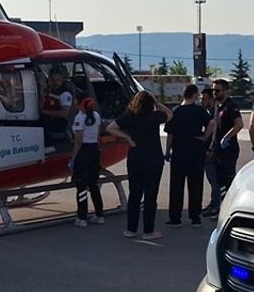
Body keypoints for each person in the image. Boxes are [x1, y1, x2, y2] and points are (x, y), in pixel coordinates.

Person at [108, 91, 172, 239]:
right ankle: (148, 231)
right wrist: (157, 103)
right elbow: (170, 114)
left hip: (135, 157)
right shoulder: (155, 116)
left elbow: (111, 127)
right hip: (153, 159)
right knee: (150, 195)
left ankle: (131, 229)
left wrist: (128, 137)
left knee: (135, 194)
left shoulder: (130, 116)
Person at [163, 84, 213, 228]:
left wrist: (167, 151)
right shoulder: (200, 111)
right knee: (196, 185)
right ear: (195, 95)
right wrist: (204, 138)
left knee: (176, 185)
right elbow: (212, 123)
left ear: (183, 95)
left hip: (179, 152)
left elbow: (170, 135)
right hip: (196, 152)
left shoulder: (175, 112)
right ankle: (195, 217)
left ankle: (175, 218)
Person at [202, 78, 243, 218]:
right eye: (213, 90)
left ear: (226, 91)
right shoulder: (218, 107)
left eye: (217, 90)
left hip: (228, 151)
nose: (214, 93)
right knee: (218, 181)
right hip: (218, 150)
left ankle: (227, 212)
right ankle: (217, 208)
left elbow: (239, 124)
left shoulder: (230, 106)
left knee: (227, 182)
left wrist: (227, 137)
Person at [69, 97, 106, 227]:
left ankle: (82, 216)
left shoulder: (79, 118)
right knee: (93, 184)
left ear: (80, 104)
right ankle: (99, 214)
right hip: (94, 150)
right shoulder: (96, 115)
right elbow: (97, 137)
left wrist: (73, 159)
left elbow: (78, 141)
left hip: (83, 151)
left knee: (81, 185)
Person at [199, 87, 221, 213]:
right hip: (208, 149)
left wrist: (209, 146)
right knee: (212, 179)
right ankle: (214, 203)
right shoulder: (206, 112)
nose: (202, 101)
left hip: (213, 151)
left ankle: (216, 205)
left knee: (215, 180)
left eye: (204, 99)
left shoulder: (214, 113)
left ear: (211, 99)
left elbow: (214, 130)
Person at [41, 70, 75, 146]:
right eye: (53, 80)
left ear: (61, 79)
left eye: (58, 79)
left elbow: (65, 113)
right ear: (49, 80)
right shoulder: (48, 90)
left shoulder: (65, 94)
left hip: (58, 128)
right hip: (47, 125)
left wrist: (45, 112)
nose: (55, 82)